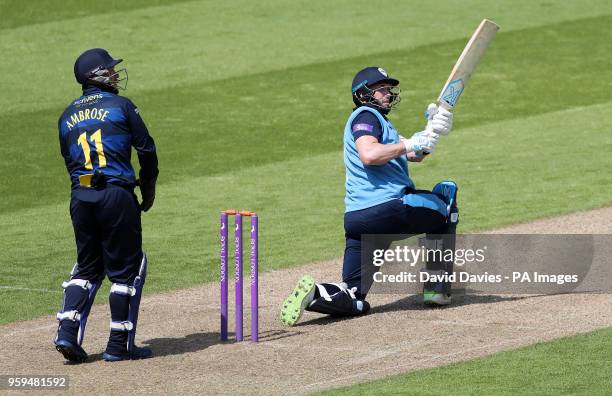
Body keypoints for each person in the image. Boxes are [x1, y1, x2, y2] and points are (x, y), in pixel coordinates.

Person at [280, 67, 458, 326]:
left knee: (355, 299)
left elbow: (414, 155)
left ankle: (316, 292)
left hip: (358, 220)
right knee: (446, 197)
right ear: (363, 93)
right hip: (389, 208)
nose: (388, 93)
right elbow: (370, 155)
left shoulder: (381, 124)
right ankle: (437, 289)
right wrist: (412, 143)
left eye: (389, 88)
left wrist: (431, 131)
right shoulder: (367, 116)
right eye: (382, 88)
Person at [54, 48, 158, 362]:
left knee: (87, 267)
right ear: (96, 75)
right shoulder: (121, 106)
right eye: (110, 70)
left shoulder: (66, 116)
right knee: (129, 269)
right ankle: (119, 345)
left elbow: (70, 164)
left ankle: (66, 333)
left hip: (81, 197)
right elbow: (147, 150)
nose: (115, 74)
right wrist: (148, 188)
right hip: (116, 196)